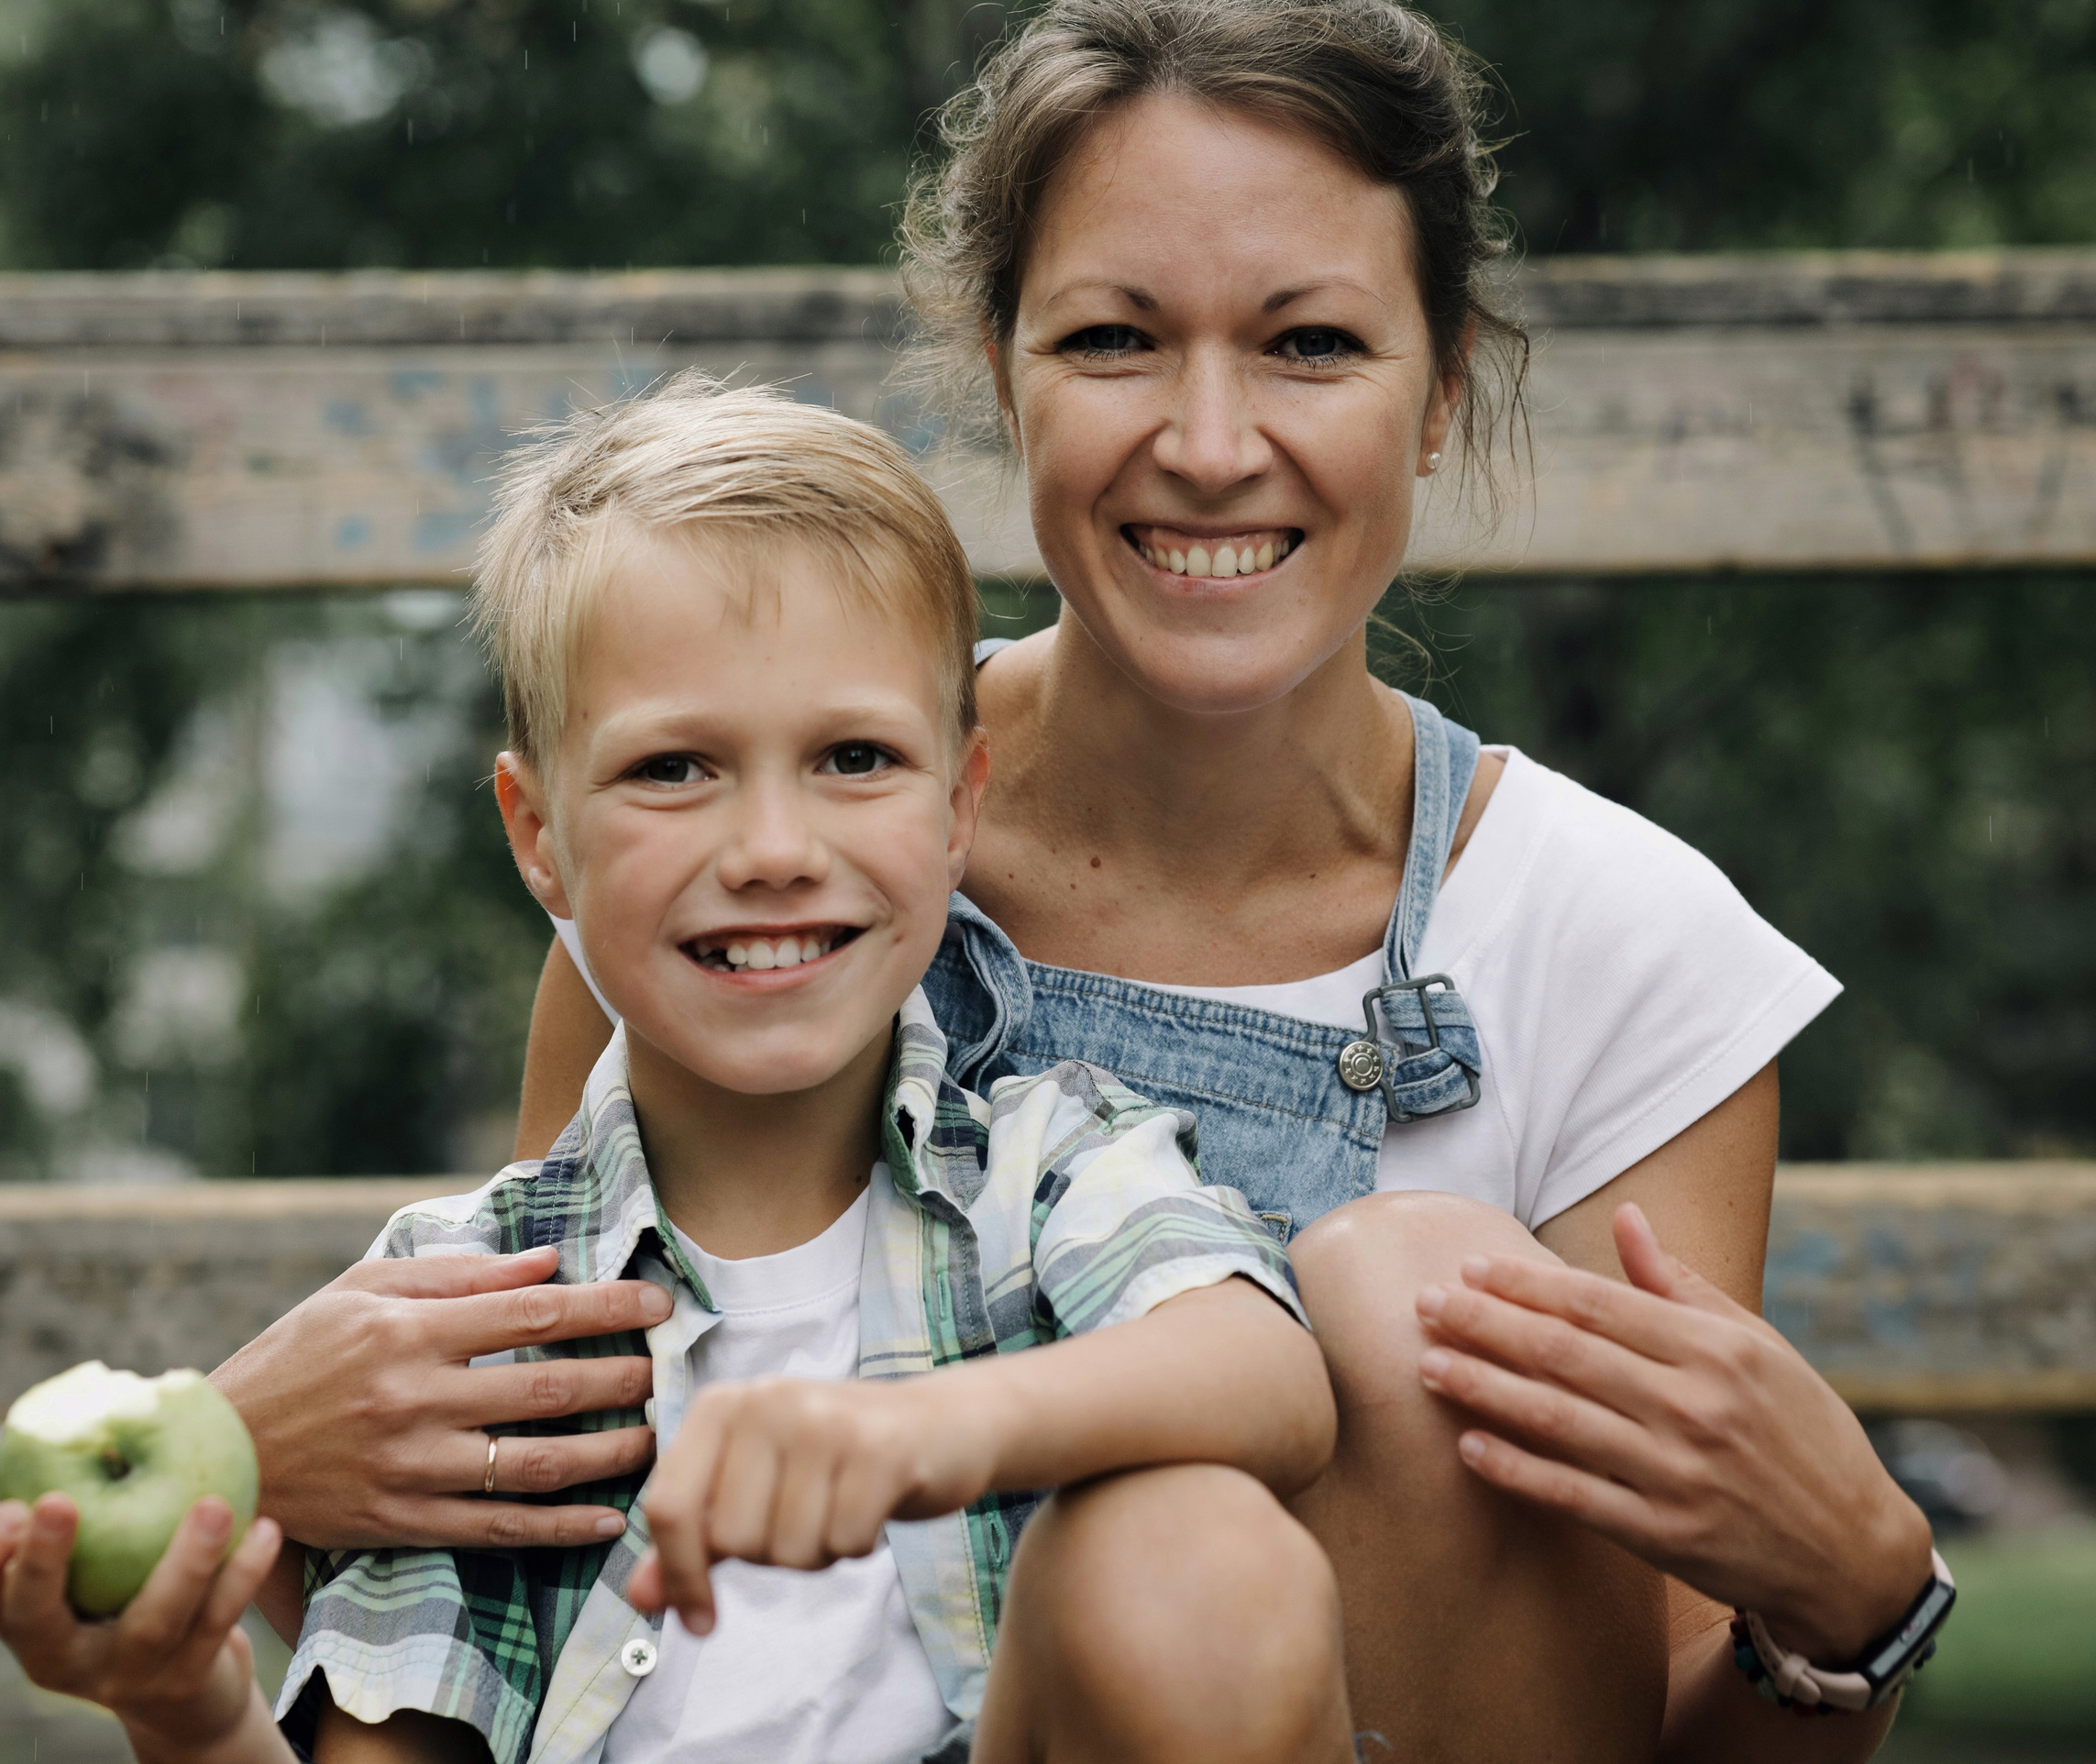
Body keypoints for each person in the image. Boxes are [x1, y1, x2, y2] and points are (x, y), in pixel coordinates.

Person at [206, 2, 1948, 1759]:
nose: (1206, 441)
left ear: (1445, 391)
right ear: (1001, 366)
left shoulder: (1620, 950)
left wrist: (1858, 1601)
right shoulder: (739, 891)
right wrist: (233, 1447)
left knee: (1406, 1309)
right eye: (1114, 338)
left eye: (1313, 344)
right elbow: (526, 1543)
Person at [0, 380, 1343, 1764]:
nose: (775, 847)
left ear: (961, 804)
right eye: (676, 770)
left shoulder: (1050, 1164)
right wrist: (187, 1713)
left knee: (1204, 1555)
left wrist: (925, 1435)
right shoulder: (476, 1320)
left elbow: (1268, 1379)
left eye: (855, 757)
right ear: (538, 834)